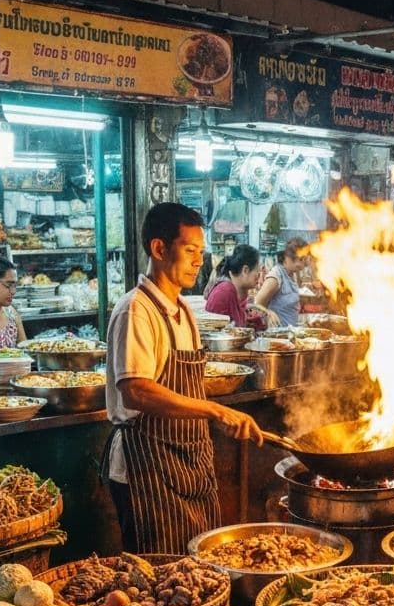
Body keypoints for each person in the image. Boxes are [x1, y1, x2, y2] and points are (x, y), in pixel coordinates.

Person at [103, 203, 263, 553]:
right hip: (147, 466)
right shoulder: (136, 310)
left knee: (197, 567)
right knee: (160, 577)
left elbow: (184, 384)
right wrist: (214, 411)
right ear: (159, 249)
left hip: (188, 465)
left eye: (201, 252)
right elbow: (136, 392)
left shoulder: (185, 312)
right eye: (190, 250)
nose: (198, 261)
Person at [204, 244, 271, 329]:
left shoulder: (236, 292)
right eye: (257, 270)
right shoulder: (226, 290)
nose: (259, 275)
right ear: (245, 270)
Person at [254, 236, 307, 328]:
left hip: (290, 333)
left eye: (304, 259)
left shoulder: (293, 274)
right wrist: (268, 313)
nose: (303, 265)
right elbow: (256, 304)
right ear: (287, 258)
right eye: (300, 259)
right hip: (277, 335)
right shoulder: (276, 277)